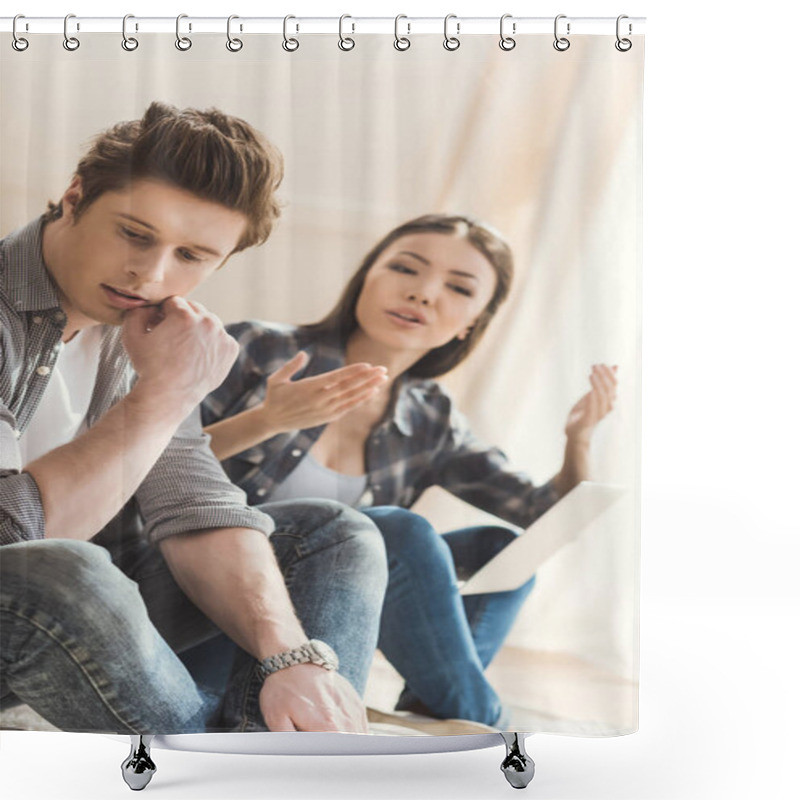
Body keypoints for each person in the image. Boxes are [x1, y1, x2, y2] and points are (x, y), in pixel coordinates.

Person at [0, 102, 389, 735]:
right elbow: (11, 546)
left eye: (192, 255)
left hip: (56, 613)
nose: (151, 274)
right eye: (134, 233)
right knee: (65, 569)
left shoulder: (147, 332)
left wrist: (294, 659)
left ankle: (284, 759)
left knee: (332, 532)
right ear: (74, 197)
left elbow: (196, 505)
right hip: (30, 597)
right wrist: (165, 394)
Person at [199, 214, 619, 728]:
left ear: (471, 322)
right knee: (394, 530)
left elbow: (547, 520)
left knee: (502, 545)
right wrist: (267, 420)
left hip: (316, 608)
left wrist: (578, 442)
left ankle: (431, 709)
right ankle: (482, 720)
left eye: (459, 288)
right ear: (366, 278)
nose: (423, 293)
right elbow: (150, 460)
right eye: (405, 268)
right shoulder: (258, 349)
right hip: (219, 603)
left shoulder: (430, 418)